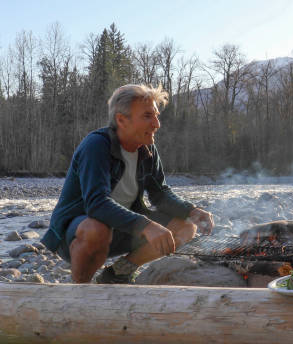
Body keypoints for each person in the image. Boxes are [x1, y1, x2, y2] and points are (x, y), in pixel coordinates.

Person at [41, 84, 215, 284]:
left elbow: (160, 193)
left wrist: (192, 210)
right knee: (97, 228)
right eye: (147, 116)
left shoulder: (147, 148)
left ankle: (118, 273)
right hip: (76, 233)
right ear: (121, 120)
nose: (157, 124)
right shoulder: (96, 146)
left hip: (121, 229)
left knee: (186, 226)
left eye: (156, 115)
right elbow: (96, 204)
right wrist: (146, 225)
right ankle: (81, 292)